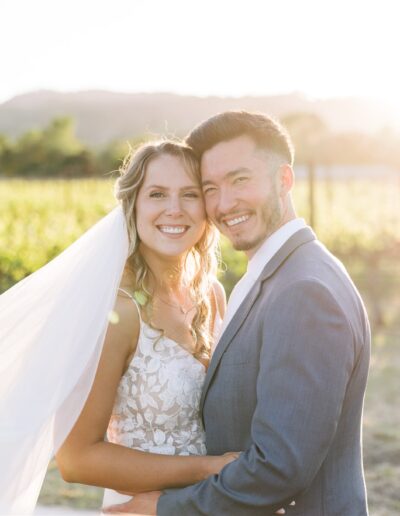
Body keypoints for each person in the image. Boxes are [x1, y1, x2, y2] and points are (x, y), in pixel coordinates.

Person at [105, 111, 371, 516]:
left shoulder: (304, 291)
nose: (225, 204)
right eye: (210, 187)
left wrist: (165, 508)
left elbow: (279, 467)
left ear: (284, 180)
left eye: (240, 180)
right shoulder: (275, 273)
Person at [0, 140, 238, 515]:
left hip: (208, 505)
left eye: (189, 194)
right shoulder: (118, 312)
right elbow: (76, 459)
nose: (174, 209)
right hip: (140, 507)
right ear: (134, 205)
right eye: (157, 194)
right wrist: (209, 469)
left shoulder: (212, 295)